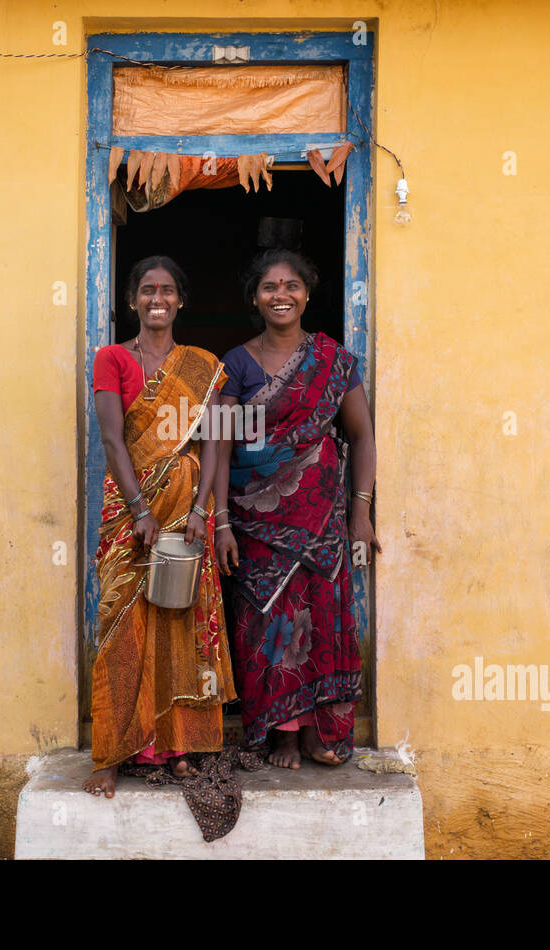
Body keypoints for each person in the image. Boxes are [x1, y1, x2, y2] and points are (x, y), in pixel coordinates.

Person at [213, 249, 380, 769]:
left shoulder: (334, 360)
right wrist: (219, 521)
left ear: (307, 293)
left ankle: (315, 732)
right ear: (255, 298)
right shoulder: (235, 363)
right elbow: (218, 445)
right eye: (268, 287)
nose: (280, 294)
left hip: (322, 518)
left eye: (291, 285)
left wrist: (361, 511)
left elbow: (361, 434)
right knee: (269, 624)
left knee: (321, 618)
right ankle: (282, 734)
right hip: (253, 517)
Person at [84, 256, 237, 798]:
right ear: (132, 300)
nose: (157, 299)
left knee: (182, 623)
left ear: (179, 300)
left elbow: (218, 442)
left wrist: (204, 513)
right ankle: (112, 752)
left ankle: (176, 747)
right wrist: (140, 511)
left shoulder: (202, 365)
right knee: (122, 626)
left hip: (188, 511)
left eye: (167, 291)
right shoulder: (111, 359)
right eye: (147, 290)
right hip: (130, 512)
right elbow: (111, 441)